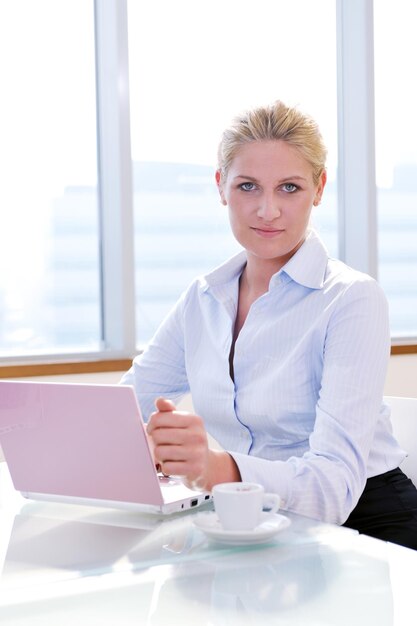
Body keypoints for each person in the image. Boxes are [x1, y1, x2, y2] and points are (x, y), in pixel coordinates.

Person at [121, 100, 417, 549]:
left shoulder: (352, 299)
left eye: (289, 188)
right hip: (248, 520)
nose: (267, 210)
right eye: (248, 186)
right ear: (221, 186)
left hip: (368, 530)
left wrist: (214, 467)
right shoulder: (202, 299)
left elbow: (332, 490)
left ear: (318, 189)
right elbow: (122, 407)